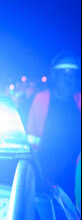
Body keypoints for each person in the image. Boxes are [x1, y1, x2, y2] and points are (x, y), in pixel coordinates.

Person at [27, 52, 81, 200]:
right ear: (54, 76)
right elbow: (31, 138)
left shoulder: (79, 101)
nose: (70, 79)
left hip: (73, 178)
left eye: (74, 75)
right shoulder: (41, 100)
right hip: (45, 177)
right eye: (65, 74)